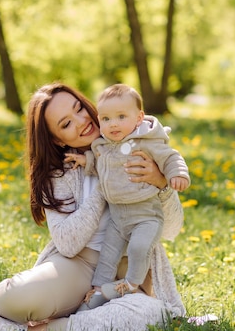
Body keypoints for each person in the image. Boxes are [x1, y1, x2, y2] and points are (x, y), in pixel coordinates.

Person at [0, 82, 185, 331]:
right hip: (80, 264)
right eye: (66, 124)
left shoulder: (141, 146)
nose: (82, 121)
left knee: (154, 313)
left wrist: (161, 183)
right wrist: (106, 181)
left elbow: (172, 229)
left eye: (79, 109)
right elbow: (68, 244)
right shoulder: (59, 174)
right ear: (56, 139)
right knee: (16, 297)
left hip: (130, 272)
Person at [66, 84, 189, 310]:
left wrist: (177, 173)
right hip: (117, 217)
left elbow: (171, 157)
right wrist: (87, 162)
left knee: (138, 248)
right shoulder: (103, 145)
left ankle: (132, 282)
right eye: (106, 118)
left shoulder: (147, 141)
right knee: (108, 255)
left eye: (121, 117)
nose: (113, 124)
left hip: (146, 216)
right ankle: (98, 291)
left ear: (139, 117)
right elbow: (102, 165)